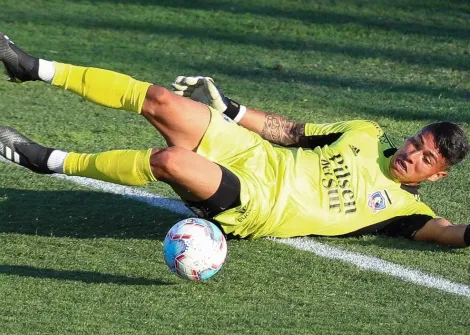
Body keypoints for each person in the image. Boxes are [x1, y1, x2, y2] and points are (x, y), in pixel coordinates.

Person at [0, 33, 469, 247]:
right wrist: (230, 110)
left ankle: (47, 160)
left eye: (426, 158)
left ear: (438, 174)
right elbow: (290, 132)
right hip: (252, 152)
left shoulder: (408, 213)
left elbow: (449, 234)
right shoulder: (364, 134)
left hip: (257, 203)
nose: (413, 155)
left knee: (170, 160)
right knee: (161, 99)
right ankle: (30, 67)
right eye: (417, 142)